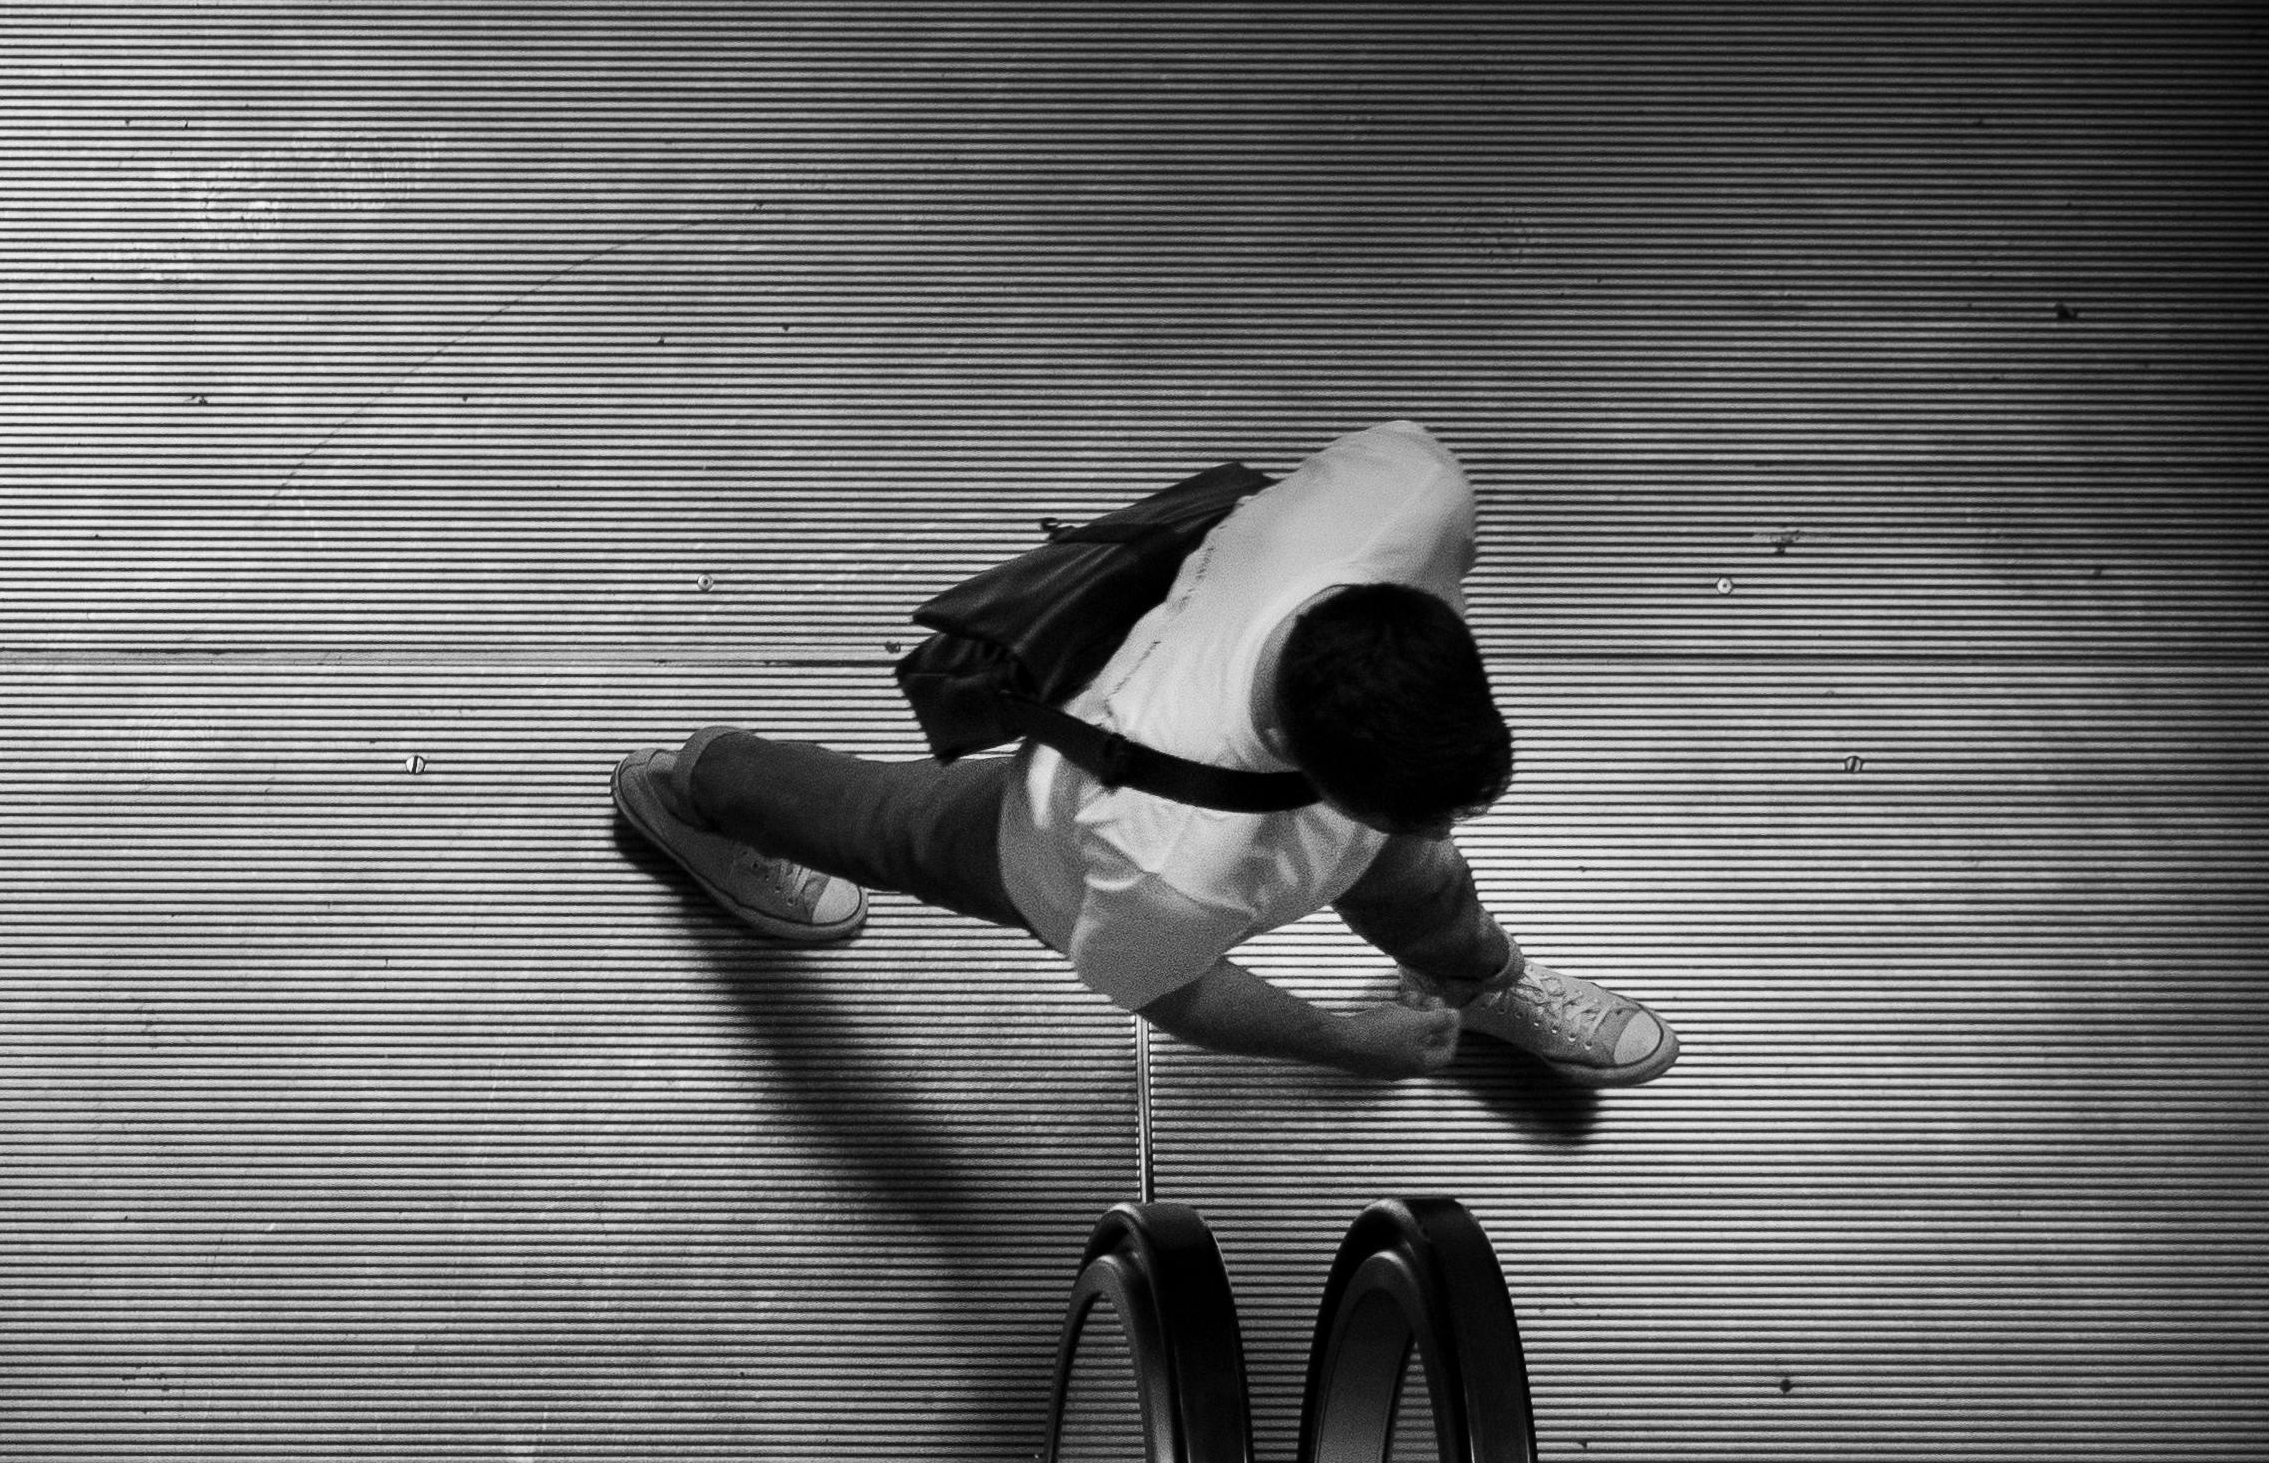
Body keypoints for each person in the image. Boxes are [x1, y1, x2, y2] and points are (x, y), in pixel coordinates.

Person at [609, 422, 1675, 1086]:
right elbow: (1175, 994)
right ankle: (694, 781)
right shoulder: (1157, 850)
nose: (1438, 821)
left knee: (1423, 877)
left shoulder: (1412, 495)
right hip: (1070, 814)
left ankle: (1484, 980)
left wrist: (1400, 828)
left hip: (1244, 732)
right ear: (1312, 772)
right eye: (1411, 804)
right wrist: (1349, 1040)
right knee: (899, 828)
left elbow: (1389, 492)